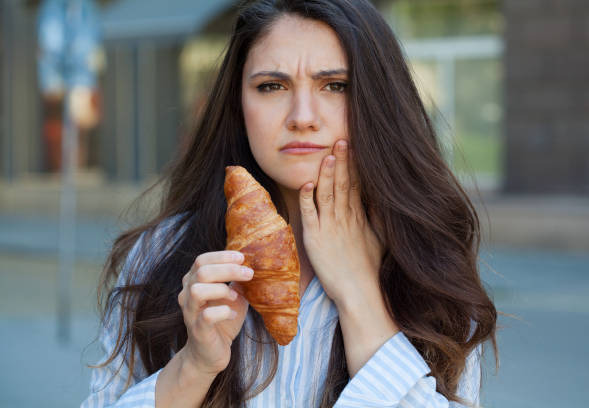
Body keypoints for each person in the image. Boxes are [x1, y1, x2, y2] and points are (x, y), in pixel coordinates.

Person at [81, 0, 498, 407]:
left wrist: (359, 297)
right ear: (239, 106)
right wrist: (193, 366)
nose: (302, 115)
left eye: (335, 85)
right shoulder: (163, 256)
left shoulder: (430, 269)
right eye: (271, 86)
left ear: (378, 103)